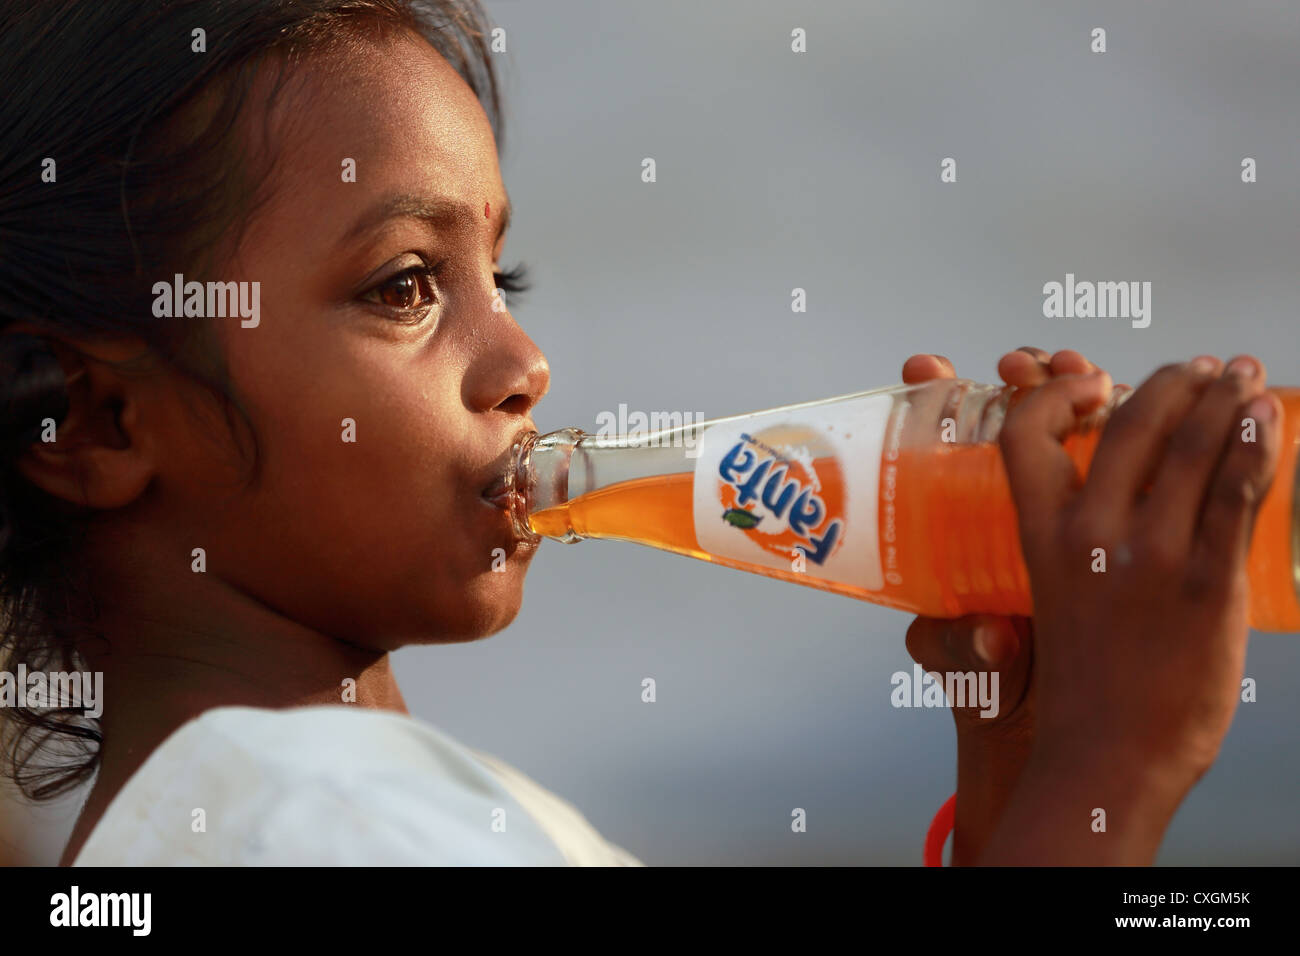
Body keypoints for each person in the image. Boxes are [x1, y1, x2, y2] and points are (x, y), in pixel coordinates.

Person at [0, 0, 1281, 866]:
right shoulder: (323, 823)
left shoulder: (257, 818)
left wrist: (1019, 800)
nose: (522, 361)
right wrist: (1110, 776)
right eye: (403, 287)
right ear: (96, 418)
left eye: (508, 277)